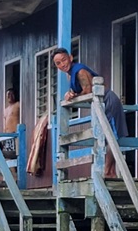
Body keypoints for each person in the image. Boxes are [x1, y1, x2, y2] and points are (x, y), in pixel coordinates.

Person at [51, 47, 128, 177]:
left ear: (70, 57)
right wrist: (71, 94)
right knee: (104, 136)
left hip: (108, 101)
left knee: (111, 136)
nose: (62, 64)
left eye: (64, 60)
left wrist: (73, 96)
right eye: (58, 63)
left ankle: (108, 171)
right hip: (99, 104)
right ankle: (110, 171)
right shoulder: (70, 74)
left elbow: (88, 90)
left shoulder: (79, 71)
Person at [1, 89, 20, 159]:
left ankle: (17, 170)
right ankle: (11, 170)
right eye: (8, 94)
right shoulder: (6, 110)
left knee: (15, 155)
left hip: (15, 134)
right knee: (7, 157)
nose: (10, 96)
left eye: (12, 94)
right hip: (7, 136)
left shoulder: (18, 105)